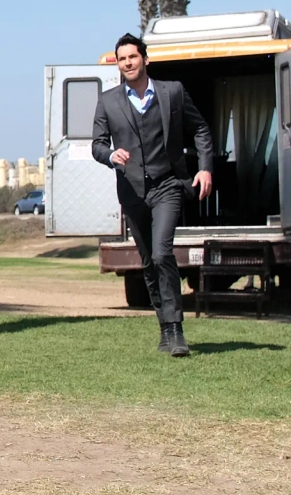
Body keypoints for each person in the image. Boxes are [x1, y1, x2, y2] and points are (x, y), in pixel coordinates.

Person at [91, 32, 216, 357]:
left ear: (145, 59)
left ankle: (176, 331)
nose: (128, 63)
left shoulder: (172, 92)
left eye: (132, 57)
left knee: (162, 254)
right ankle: (164, 326)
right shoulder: (108, 100)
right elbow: (97, 144)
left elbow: (200, 128)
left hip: (167, 186)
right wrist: (110, 156)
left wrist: (205, 168)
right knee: (148, 262)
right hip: (132, 191)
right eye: (122, 59)